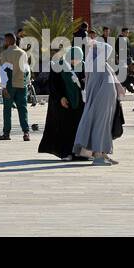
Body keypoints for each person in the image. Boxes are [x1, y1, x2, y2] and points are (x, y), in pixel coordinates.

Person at [73, 28, 122, 165]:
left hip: (104, 101)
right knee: (100, 125)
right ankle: (98, 156)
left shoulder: (100, 64)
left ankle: (103, 152)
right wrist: (94, 43)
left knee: (104, 126)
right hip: (101, 100)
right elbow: (108, 47)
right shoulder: (95, 63)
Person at [39, 45, 86, 160]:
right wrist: (61, 97)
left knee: (79, 128)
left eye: (79, 59)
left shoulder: (83, 66)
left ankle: (79, 153)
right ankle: (66, 152)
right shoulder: (59, 66)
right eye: (75, 59)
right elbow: (53, 85)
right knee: (65, 128)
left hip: (80, 103)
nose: (77, 62)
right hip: (64, 104)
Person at [0, 32, 31, 141]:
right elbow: (27, 69)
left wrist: (3, 87)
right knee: (23, 108)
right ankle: (26, 132)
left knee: (7, 109)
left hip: (9, 85)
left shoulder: (5, 54)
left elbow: (3, 71)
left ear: (8, 41)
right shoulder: (23, 53)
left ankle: (6, 133)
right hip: (22, 84)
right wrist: (27, 82)